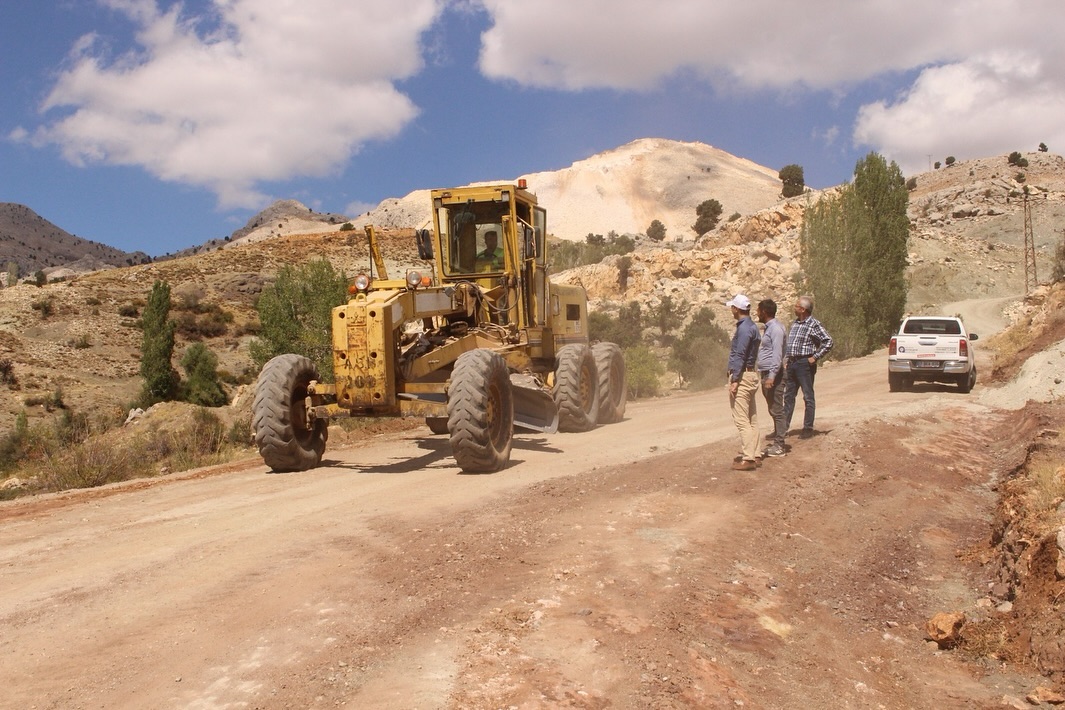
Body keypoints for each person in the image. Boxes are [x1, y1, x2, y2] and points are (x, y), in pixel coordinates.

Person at [782, 295, 833, 439]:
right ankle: (783, 429)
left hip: (804, 364)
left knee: (808, 396)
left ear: (803, 309)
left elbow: (828, 341)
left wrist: (815, 357)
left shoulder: (813, 324)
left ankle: (808, 428)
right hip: (792, 363)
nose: (794, 308)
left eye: (797, 306)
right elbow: (791, 344)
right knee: (788, 396)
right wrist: (786, 360)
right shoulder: (795, 323)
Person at [725, 294, 761, 470]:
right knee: (752, 418)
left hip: (743, 376)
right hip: (751, 374)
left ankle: (748, 458)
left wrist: (735, 380)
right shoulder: (752, 326)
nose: (731, 310)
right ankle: (756, 453)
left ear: (736, 309)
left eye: (732, 307)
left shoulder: (744, 329)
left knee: (742, 420)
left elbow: (740, 354)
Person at [756, 299, 786, 457]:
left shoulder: (775, 329)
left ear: (764, 312)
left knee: (777, 409)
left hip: (773, 374)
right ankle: (777, 437)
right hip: (767, 372)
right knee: (773, 408)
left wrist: (772, 376)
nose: (757, 313)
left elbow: (777, 354)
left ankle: (780, 445)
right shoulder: (769, 328)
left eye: (758, 310)